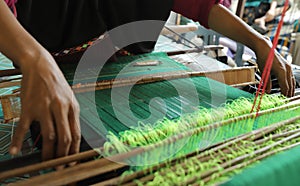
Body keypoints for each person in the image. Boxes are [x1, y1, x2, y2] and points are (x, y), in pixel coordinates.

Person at [0, 0, 295, 161]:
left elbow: (203, 6)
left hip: (130, 72)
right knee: (82, 150)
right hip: (56, 71)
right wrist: (33, 57)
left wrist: (259, 42)